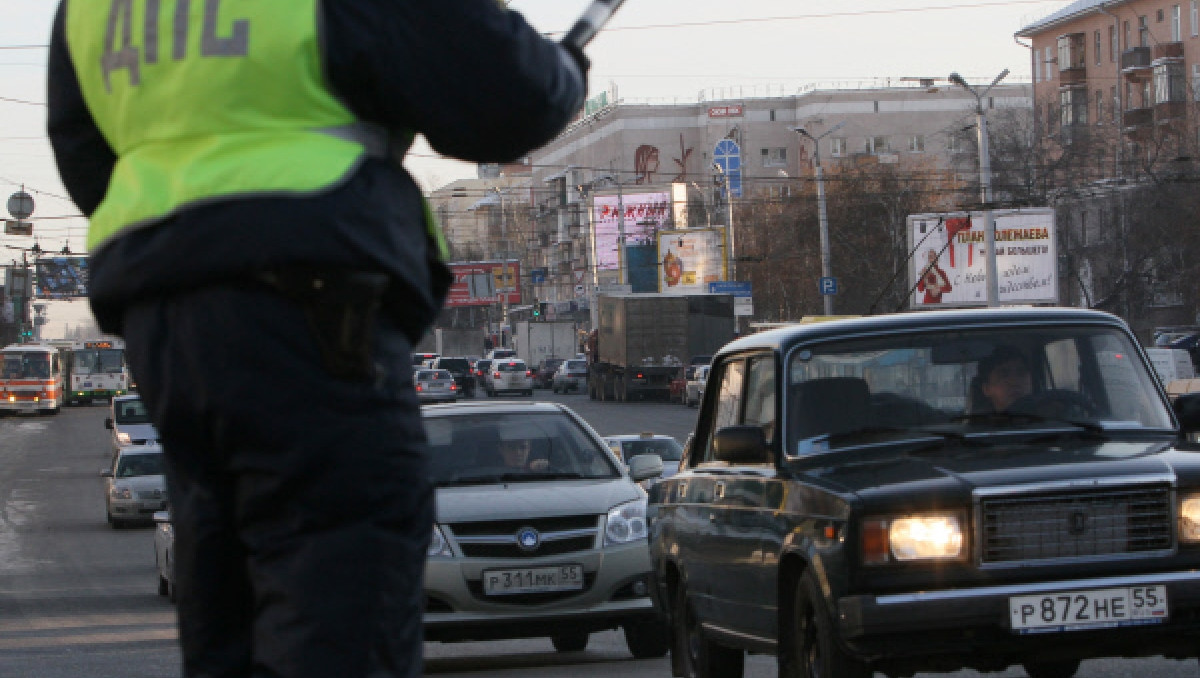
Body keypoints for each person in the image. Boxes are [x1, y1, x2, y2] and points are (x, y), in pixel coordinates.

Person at [47, 3, 587, 678]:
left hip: (170, 326)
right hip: (314, 314)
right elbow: (501, 91)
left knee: (223, 609)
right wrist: (563, 73)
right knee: (341, 607)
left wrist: (191, 237)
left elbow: (82, 149)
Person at [977, 345, 1034, 413]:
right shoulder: (980, 423)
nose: (1014, 382)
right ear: (986, 389)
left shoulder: (1047, 414)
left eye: (1021, 373)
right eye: (1003, 375)